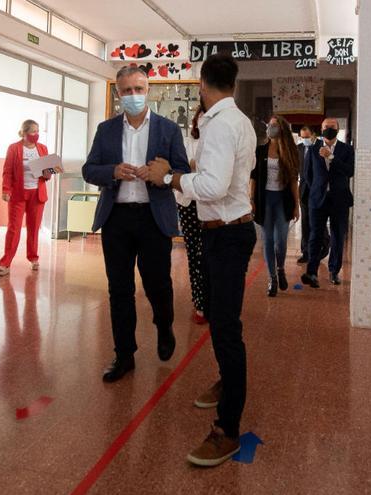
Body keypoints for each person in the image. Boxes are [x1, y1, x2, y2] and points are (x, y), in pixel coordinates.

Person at [147, 53, 256, 467]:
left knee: (227, 328)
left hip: (228, 234)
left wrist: (170, 177)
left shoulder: (223, 124)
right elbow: (216, 176)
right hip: (222, 231)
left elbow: (212, 185)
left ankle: (227, 429)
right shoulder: (233, 120)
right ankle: (228, 381)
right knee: (214, 313)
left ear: (202, 85)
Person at [82, 66, 190, 383]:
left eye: (138, 89)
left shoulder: (168, 130)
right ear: (118, 94)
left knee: (158, 283)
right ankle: (124, 354)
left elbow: (181, 171)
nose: (133, 95)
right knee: (119, 290)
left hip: (153, 217)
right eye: (127, 90)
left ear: (149, 90)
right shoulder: (106, 130)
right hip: (116, 217)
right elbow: (90, 169)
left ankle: (164, 324)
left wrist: (162, 173)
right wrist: (112, 171)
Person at [301, 118, 354, 288]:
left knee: (338, 236)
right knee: (315, 235)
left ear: (338, 129)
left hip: (340, 200)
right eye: (325, 127)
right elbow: (308, 175)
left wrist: (331, 157)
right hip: (318, 200)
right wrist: (317, 190)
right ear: (321, 129)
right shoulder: (313, 148)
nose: (328, 130)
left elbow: (350, 171)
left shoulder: (347, 150)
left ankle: (334, 271)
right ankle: (312, 272)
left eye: (332, 127)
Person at [251, 115, 301, 297]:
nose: (270, 128)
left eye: (274, 125)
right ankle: (272, 278)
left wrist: (297, 205)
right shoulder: (260, 150)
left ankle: (280, 268)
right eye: (269, 125)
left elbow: (294, 180)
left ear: (282, 129)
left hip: (283, 200)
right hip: (264, 200)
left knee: (281, 240)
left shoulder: (290, 151)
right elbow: (253, 178)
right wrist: (251, 200)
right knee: (268, 241)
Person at [0, 119, 52, 277]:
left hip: (37, 193)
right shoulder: (14, 148)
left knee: (34, 228)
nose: (36, 134)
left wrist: (48, 173)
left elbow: (47, 173)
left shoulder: (42, 148)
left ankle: (33, 258)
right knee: (13, 229)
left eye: (38, 131)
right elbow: (7, 171)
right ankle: (5, 263)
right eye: (33, 131)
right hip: (18, 195)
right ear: (24, 133)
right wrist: (6, 190)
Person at [178, 104, 208, 325]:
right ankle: (199, 301)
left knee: (209, 253)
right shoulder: (187, 142)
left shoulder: (217, 142)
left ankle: (211, 299)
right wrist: (194, 165)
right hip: (188, 202)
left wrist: (196, 166)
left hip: (211, 203)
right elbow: (179, 168)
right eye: (200, 119)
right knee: (193, 253)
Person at [296, 126, 329, 264]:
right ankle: (306, 252)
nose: (305, 140)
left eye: (307, 137)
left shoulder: (322, 147)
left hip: (318, 190)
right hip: (304, 189)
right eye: (302, 137)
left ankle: (324, 247)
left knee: (318, 220)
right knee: (305, 222)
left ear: (313, 135)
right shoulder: (299, 149)